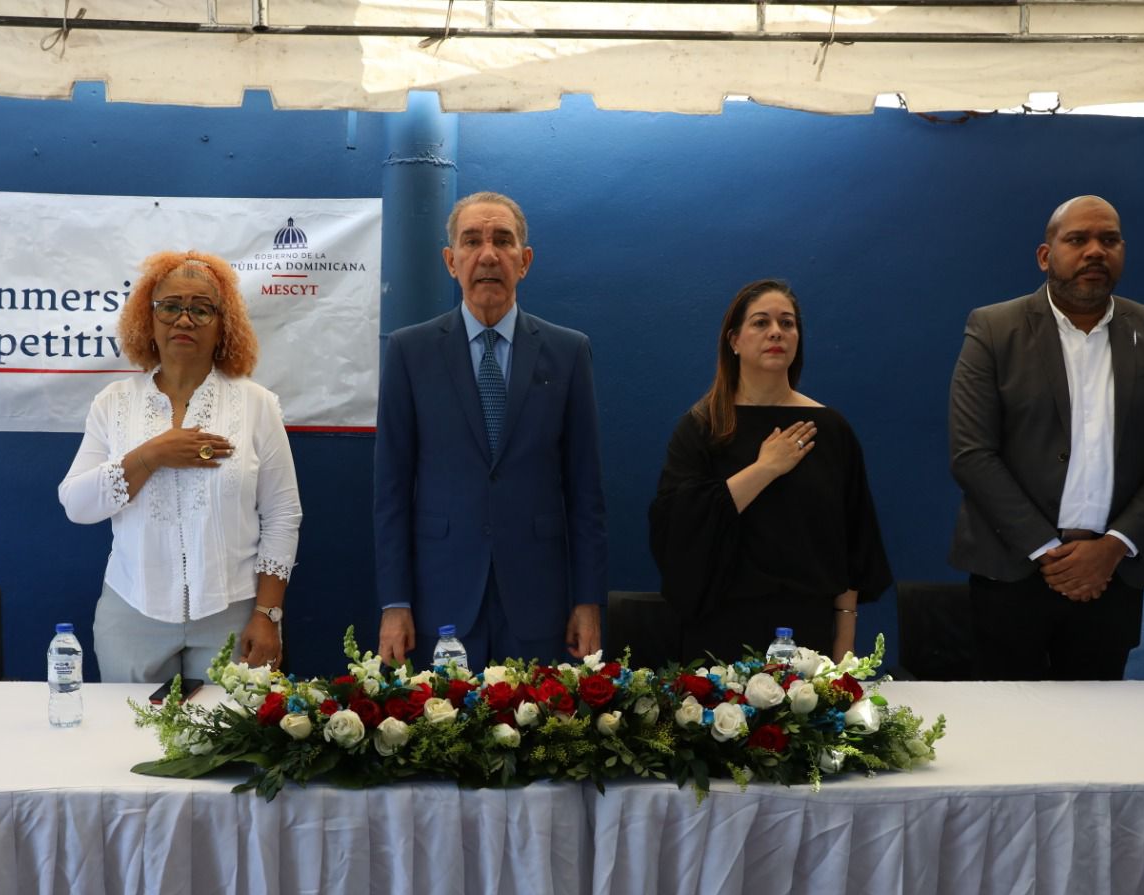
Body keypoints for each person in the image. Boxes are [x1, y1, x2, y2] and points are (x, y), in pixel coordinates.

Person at [949, 195, 1144, 681]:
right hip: (1012, 570)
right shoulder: (994, 328)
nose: (1095, 251)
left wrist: (1112, 547)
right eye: (1078, 239)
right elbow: (972, 453)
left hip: (1113, 575)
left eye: (1109, 240)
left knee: (1098, 721)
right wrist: (1048, 551)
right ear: (1046, 256)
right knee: (1004, 719)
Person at [373, 191, 608, 671]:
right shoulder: (409, 352)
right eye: (471, 241)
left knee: (537, 719)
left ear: (524, 261)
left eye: (503, 240)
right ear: (450, 261)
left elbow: (586, 491)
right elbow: (391, 491)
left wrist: (588, 600)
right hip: (440, 594)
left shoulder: (568, 352)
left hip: (539, 597)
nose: (487, 255)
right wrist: (394, 602)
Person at [59, 251, 300, 682]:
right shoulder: (114, 403)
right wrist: (152, 454)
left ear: (224, 324)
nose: (184, 320)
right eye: (169, 306)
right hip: (132, 612)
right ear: (147, 319)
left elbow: (282, 514)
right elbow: (77, 505)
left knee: (229, 728)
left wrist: (268, 614)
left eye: (201, 309)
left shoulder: (256, 405)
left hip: (234, 613)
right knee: (128, 727)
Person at [649, 279, 890, 663]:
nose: (776, 332)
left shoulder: (830, 430)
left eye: (787, 323)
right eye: (761, 322)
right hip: (718, 631)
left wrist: (844, 646)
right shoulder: (702, 427)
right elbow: (678, 528)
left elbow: (854, 544)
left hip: (808, 635)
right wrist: (765, 468)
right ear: (734, 340)